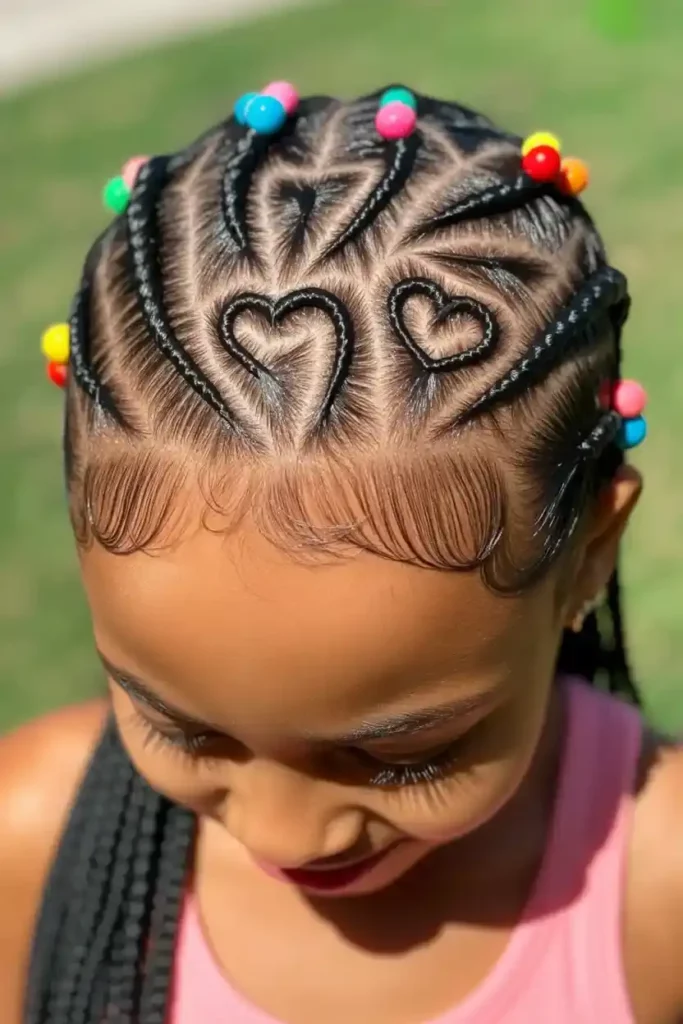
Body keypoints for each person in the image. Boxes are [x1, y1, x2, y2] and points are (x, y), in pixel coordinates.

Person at [2, 83, 682, 1024]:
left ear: (589, 553)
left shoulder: (656, 892)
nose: (287, 834)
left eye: (403, 755)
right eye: (186, 730)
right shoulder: (33, 840)